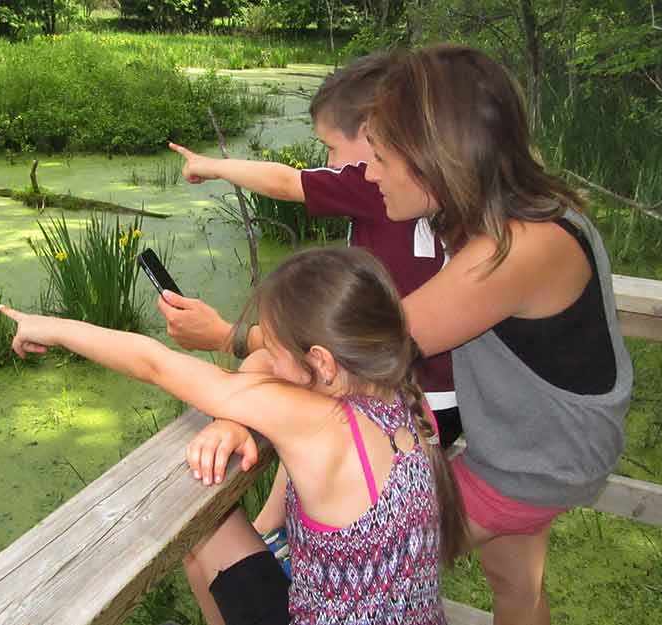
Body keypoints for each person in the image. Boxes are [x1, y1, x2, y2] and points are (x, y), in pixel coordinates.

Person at [190, 45, 635, 625]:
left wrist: (234, 353)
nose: (368, 175)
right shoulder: (528, 214)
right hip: (544, 453)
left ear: (431, 156)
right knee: (516, 585)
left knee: (338, 559)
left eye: (378, 157)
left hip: (529, 468)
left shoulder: (512, 251)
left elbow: (354, 350)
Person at [0, 246, 468, 625]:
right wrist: (233, 417)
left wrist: (53, 326)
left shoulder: (320, 423)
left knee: (203, 531)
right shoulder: (405, 394)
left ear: (321, 362)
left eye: (276, 343)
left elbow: (155, 363)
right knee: (214, 530)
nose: (263, 349)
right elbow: (265, 365)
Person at [163, 50, 462, 452]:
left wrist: (213, 167)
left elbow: (286, 182)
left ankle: (232, 432)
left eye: (332, 148)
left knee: (264, 367)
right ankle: (270, 511)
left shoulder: (370, 187)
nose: (328, 163)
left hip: (403, 398)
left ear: (373, 134)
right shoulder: (440, 191)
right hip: (448, 402)